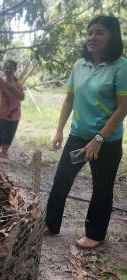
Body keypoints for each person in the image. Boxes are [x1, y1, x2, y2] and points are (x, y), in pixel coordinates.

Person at [44, 16, 127, 249]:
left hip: (106, 141)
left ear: (112, 36)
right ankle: (51, 223)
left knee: (102, 186)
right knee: (61, 180)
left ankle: (95, 234)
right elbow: (69, 98)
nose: (92, 37)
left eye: (99, 32)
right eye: (90, 32)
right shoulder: (79, 65)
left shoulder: (121, 66)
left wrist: (99, 139)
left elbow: (123, 107)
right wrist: (60, 130)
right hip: (77, 136)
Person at [0, 53, 25, 164]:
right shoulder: (1, 82)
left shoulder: (18, 84)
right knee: (0, 134)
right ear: (4, 70)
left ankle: (4, 153)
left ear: (15, 69)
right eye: (6, 68)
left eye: (11, 68)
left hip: (14, 116)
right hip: (1, 114)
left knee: (9, 135)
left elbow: (22, 97)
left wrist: (13, 88)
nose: (8, 70)